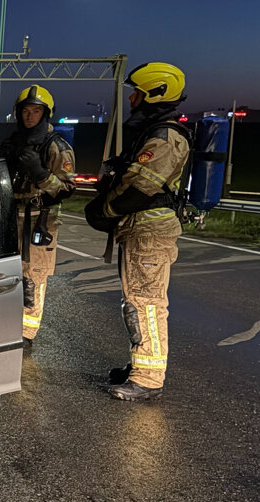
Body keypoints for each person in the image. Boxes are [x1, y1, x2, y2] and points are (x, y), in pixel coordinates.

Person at [85, 62, 191, 401]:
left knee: (146, 303)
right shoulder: (152, 134)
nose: (132, 99)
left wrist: (104, 210)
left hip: (149, 231)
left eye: (138, 94)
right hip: (140, 229)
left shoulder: (165, 138)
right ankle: (140, 367)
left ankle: (148, 379)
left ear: (155, 94)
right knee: (137, 301)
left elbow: (141, 187)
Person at [0, 85, 76, 350]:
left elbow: (66, 189)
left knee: (33, 277)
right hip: (10, 217)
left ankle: (26, 334)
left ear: (45, 114)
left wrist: (40, 173)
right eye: (26, 111)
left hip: (40, 220)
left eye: (36, 111)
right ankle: (6, 326)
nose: (30, 116)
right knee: (6, 274)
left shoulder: (56, 147)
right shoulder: (11, 144)